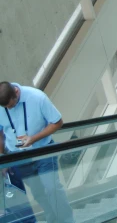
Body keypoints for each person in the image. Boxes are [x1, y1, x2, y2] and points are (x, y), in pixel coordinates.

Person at [0, 82, 75, 223]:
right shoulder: (2, 105)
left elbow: (57, 122)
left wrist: (33, 138)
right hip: (19, 157)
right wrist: (3, 158)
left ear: (16, 92)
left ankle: (67, 220)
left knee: (52, 188)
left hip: (43, 152)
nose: (9, 109)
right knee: (38, 193)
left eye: (11, 105)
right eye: (5, 108)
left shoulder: (37, 97)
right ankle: (52, 218)